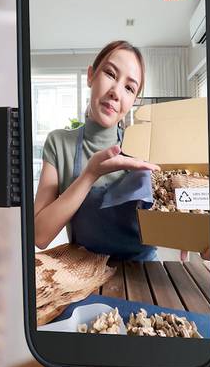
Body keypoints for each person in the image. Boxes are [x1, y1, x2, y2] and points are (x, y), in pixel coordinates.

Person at [34, 40, 159, 260]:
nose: (116, 93)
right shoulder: (59, 143)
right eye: (110, 74)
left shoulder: (145, 145)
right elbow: (40, 235)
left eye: (129, 88)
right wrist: (90, 174)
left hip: (144, 275)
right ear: (91, 75)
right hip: (84, 274)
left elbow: (175, 215)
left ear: (133, 101)